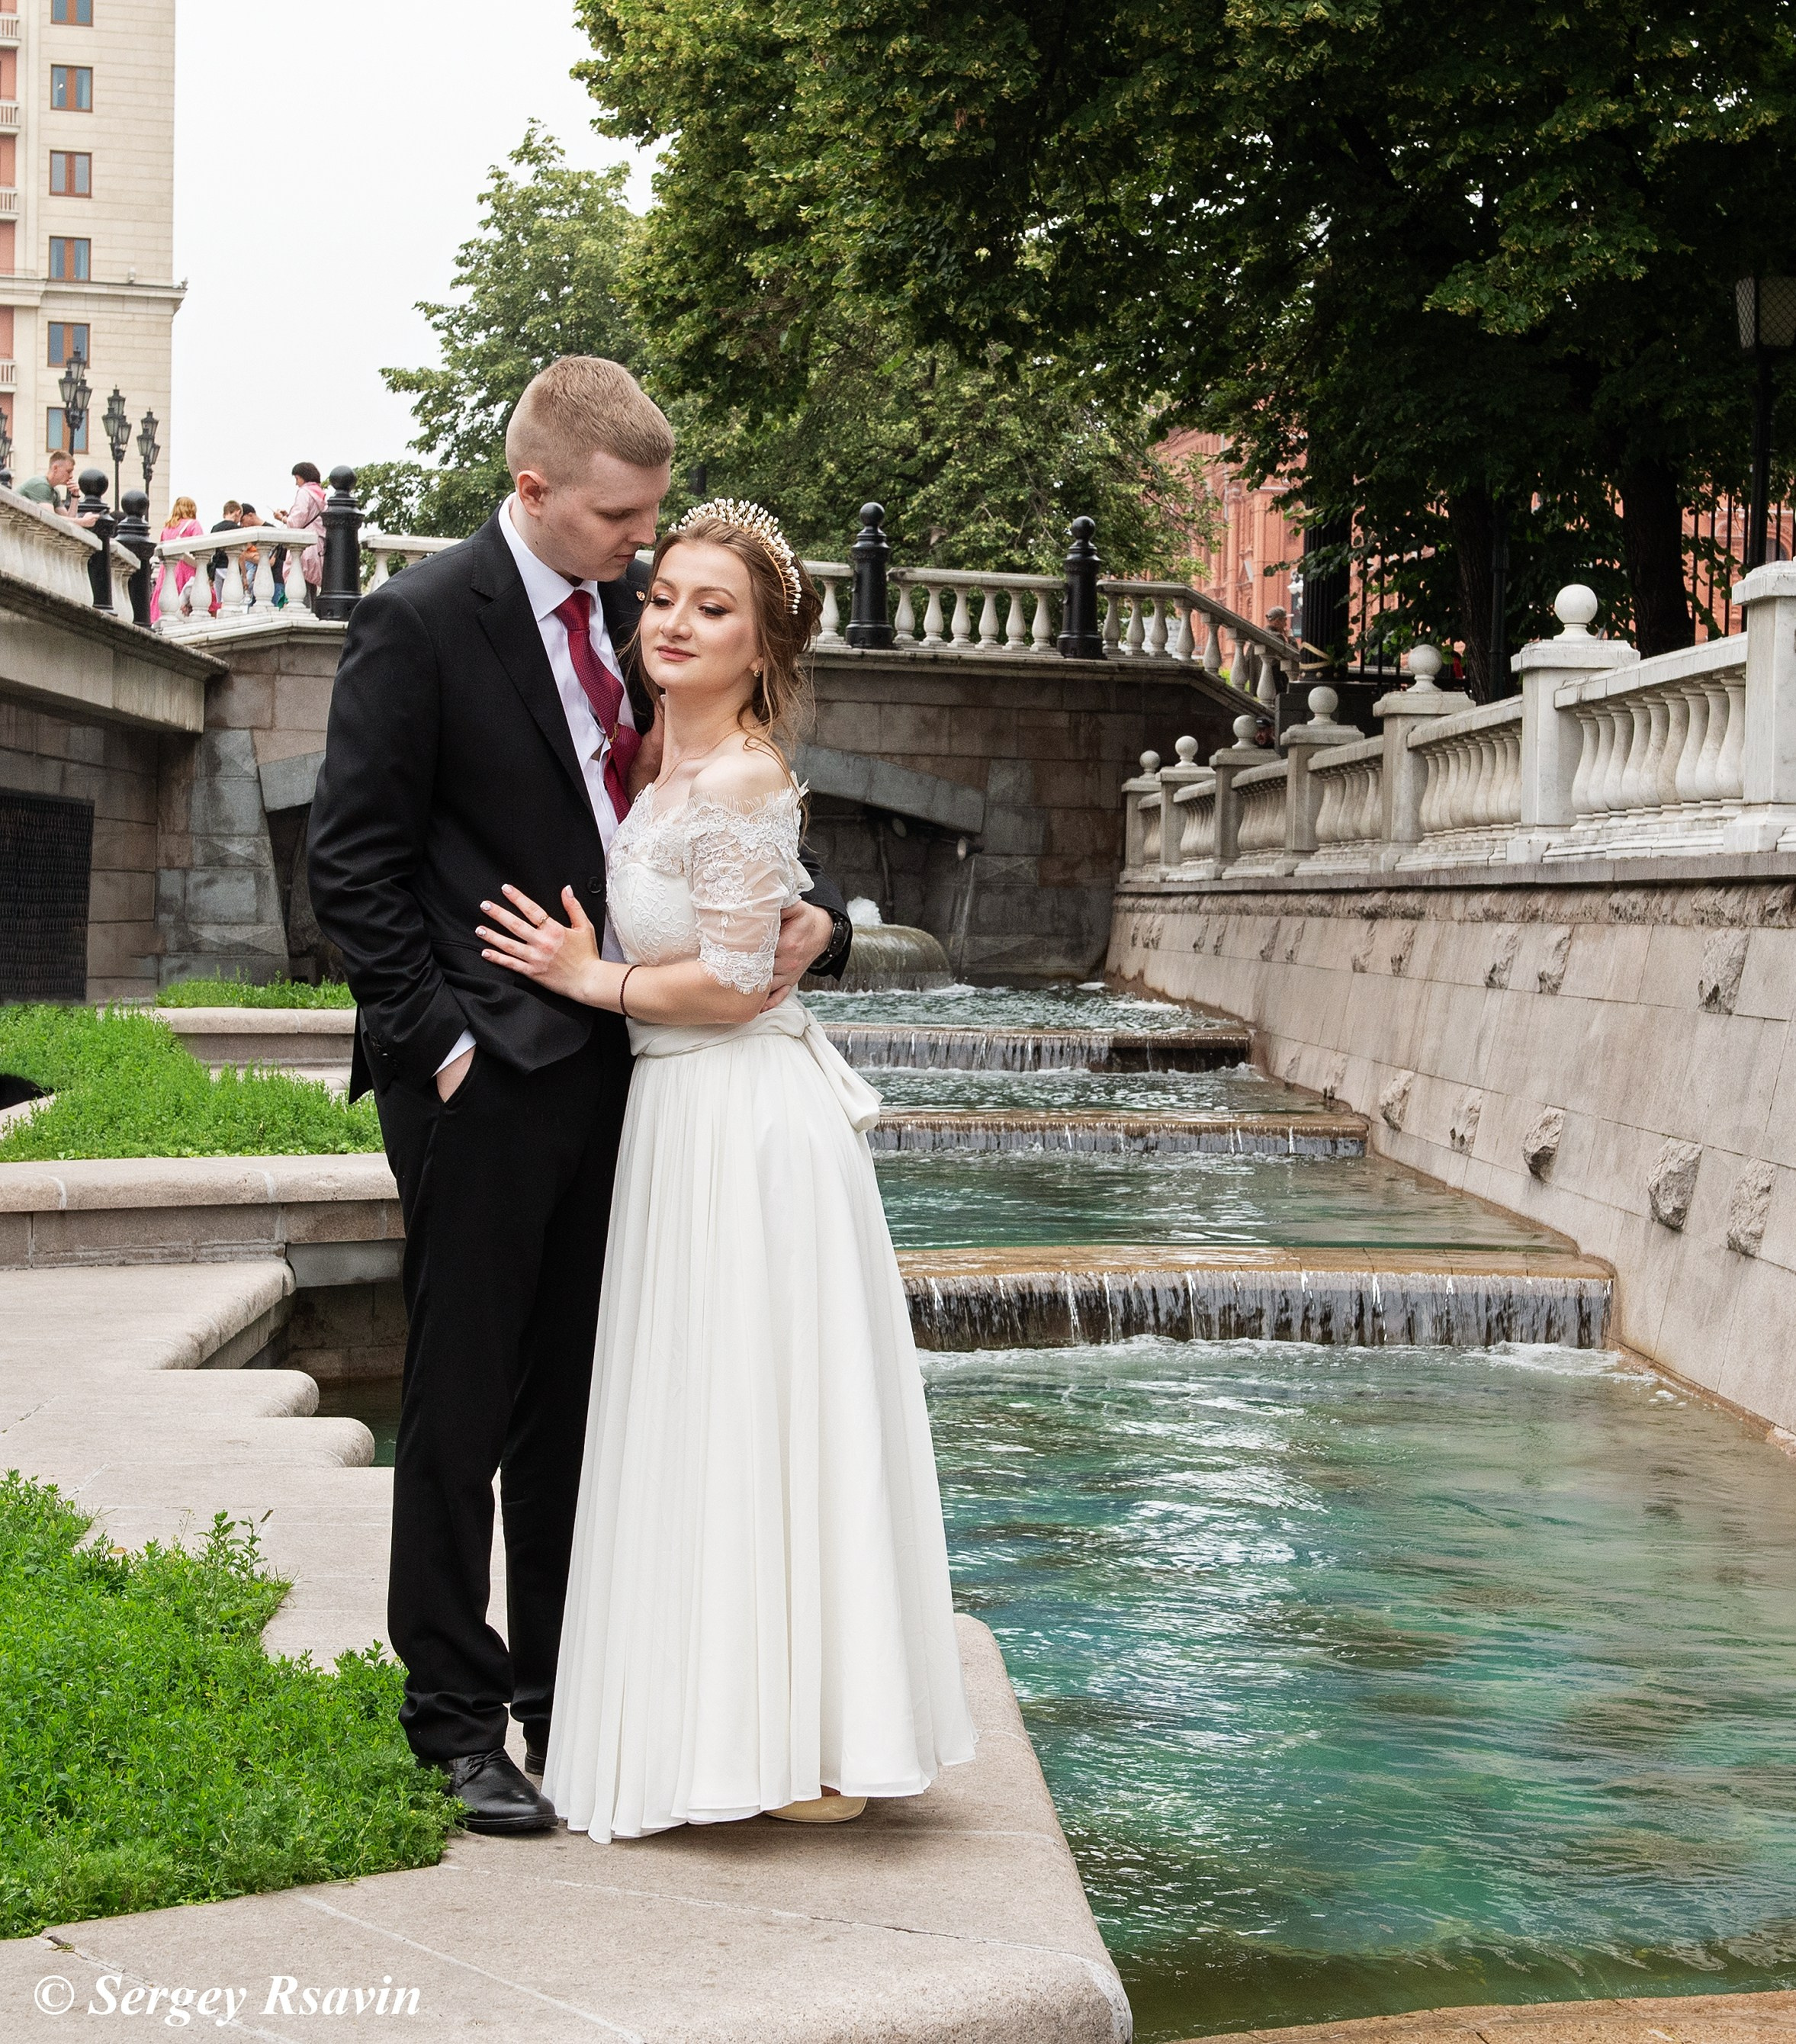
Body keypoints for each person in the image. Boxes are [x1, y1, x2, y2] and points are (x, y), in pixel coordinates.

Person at [306, 356, 854, 1835]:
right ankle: (452, 1718)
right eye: (619, 519)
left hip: (631, 1076)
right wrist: (439, 1046)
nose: (643, 547)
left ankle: (566, 1692)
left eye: (653, 523)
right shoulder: (420, 620)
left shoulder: (636, 619)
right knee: (460, 1402)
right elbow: (349, 861)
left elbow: (716, 818)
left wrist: (824, 921)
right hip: (482, 1081)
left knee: (576, 1411)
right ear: (536, 488)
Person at [477, 502, 975, 1841]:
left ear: (762, 650)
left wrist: (590, 978)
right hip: (676, 1116)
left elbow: (743, 979)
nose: (675, 624)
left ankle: (809, 1739)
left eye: (714, 610)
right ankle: (725, 1727)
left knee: (761, 1413)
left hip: (744, 1123)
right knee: (705, 1419)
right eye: (664, 599)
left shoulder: (746, 779)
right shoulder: (652, 766)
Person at [279, 461, 327, 611]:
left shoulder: (304, 492)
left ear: (303, 477)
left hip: (305, 547)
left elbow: (297, 521)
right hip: (318, 545)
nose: (296, 483)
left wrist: (283, 518)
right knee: (311, 587)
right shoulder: (321, 494)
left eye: (297, 478)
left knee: (300, 584)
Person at [150, 496, 204, 619]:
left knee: (165, 596)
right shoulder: (193, 525)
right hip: (185, 568)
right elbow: (201, 548)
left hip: (166, 570)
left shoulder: (167, 528)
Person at [209, 500, 243, 614]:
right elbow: (241, 555)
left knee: (220, 601)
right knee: (231, 599)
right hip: (230, 567)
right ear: (238, 513)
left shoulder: (215, 528)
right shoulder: (237, 529)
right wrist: (244, 576)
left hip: (216, 568)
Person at [19, 449, 78, 515]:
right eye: (69, 471)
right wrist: (83, 520)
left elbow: (67, 520)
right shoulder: (40, 485)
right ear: (55, 468)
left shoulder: (55, 492)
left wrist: (75, 496)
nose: (71, 476)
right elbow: (51, 518)